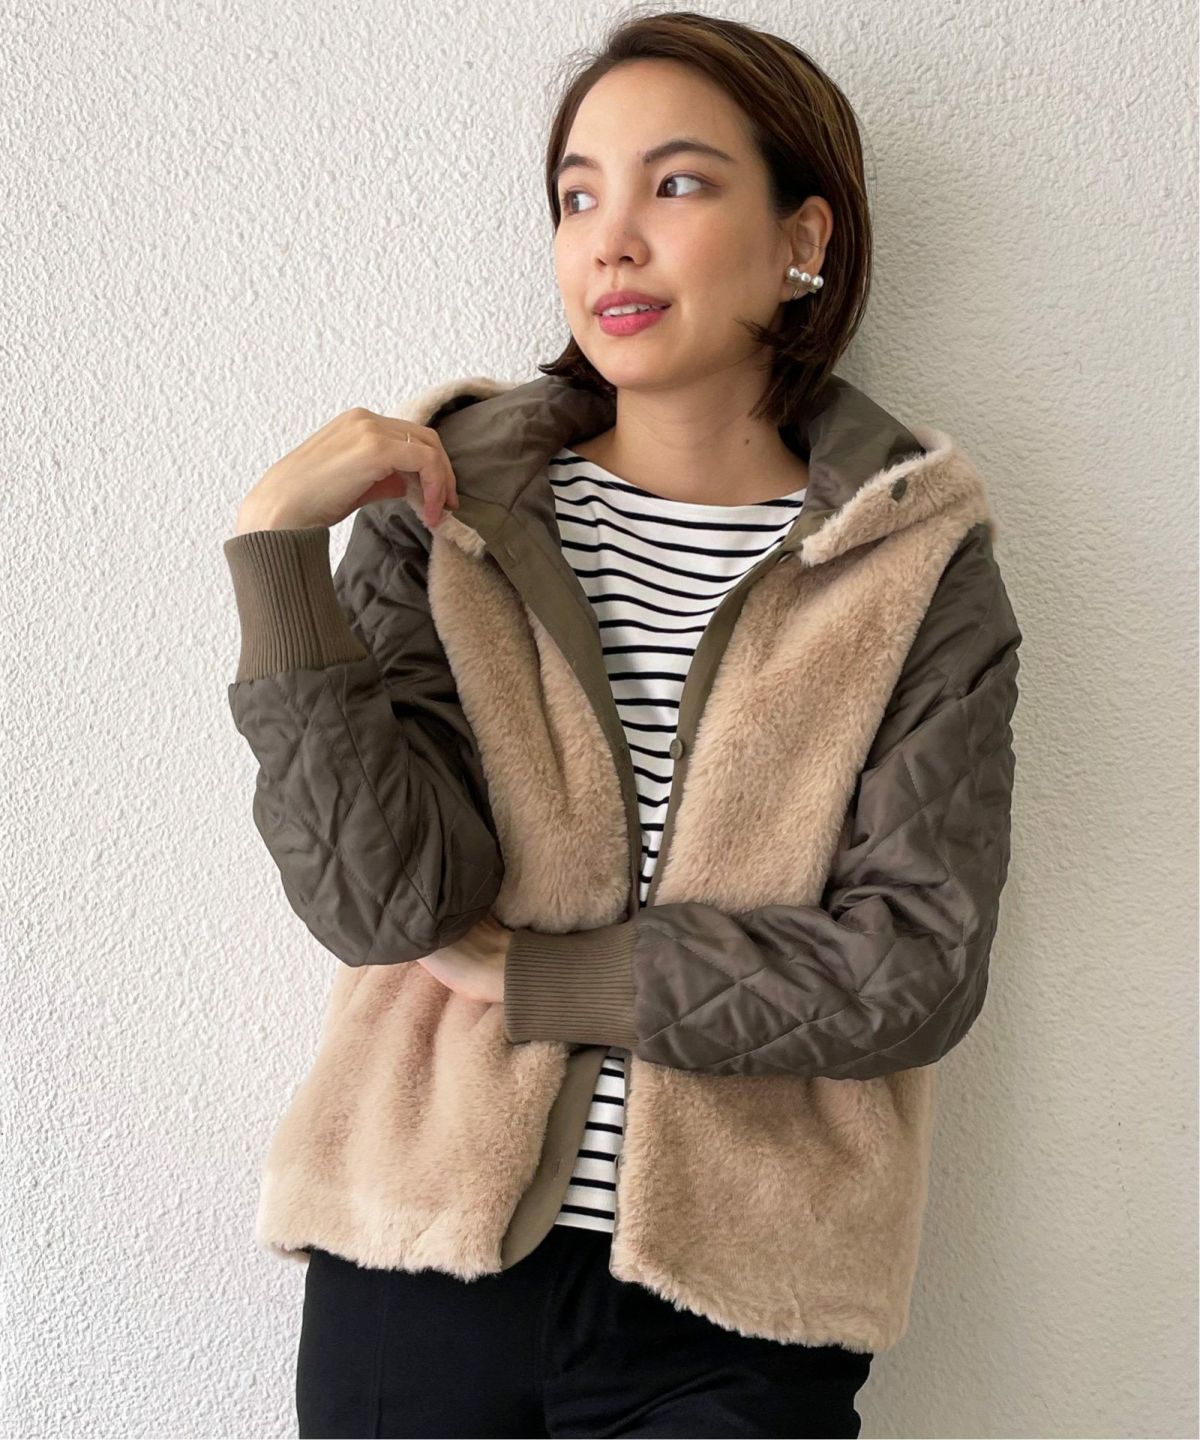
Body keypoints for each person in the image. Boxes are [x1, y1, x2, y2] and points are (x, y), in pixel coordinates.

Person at [222, 12, 1022, 1439]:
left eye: (679, 183)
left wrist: (552, 980)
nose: (612, 241)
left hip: (742, 1306)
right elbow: (387, 904)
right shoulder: (448, 515)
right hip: (421, 1256)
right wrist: (280, 553)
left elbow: (913, 967)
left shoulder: (912, 561)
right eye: (578, 196)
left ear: (804, 241)